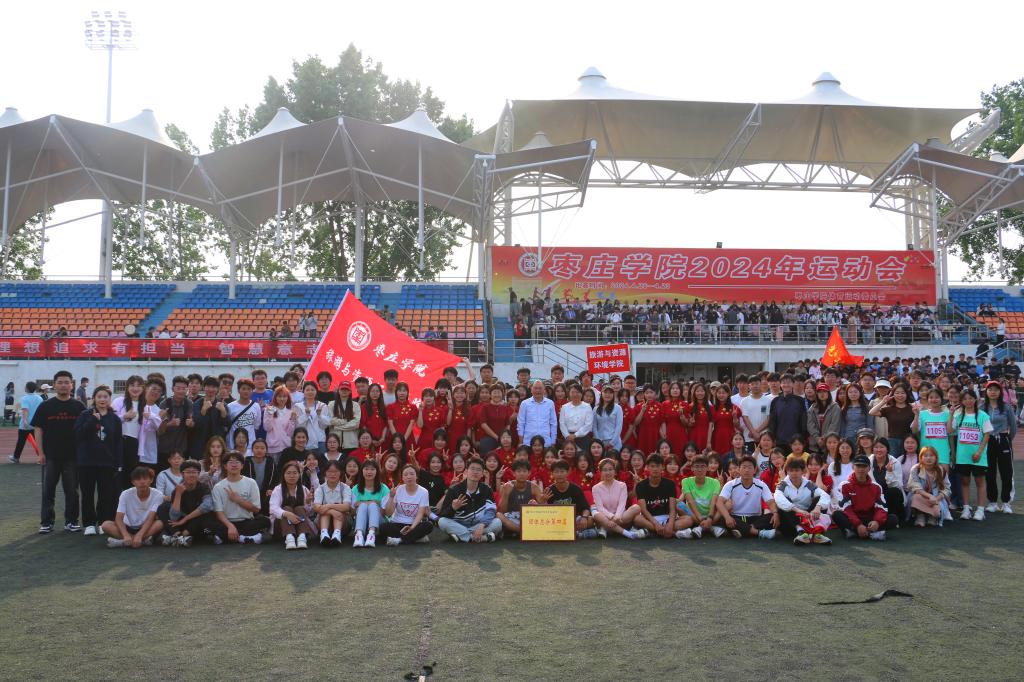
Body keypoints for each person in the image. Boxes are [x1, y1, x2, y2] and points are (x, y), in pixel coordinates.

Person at [33, 370, 86, 535]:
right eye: (60, 382)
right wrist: (40, 453)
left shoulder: (79, 406)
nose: (63, 385)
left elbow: (86, 431)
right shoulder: (45, 406)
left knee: (72, 491)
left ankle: (71, 521)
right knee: (48, 491)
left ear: (72, 385)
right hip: (51, 456)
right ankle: (46, 522)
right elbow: (38, 429)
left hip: (72, 457)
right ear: (54, 385)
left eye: (67, 382)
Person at [74, 385, 123, 536]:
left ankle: (103, 522)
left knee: (105, 495)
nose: (102, 399)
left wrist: (118, 463)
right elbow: (78, 434)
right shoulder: (85, 415)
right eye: (99, 397)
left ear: (110, 399)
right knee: (87, 494)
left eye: (105, 397)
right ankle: (89, 523)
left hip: (107, 463)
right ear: (94, 399)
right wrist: (92, 421)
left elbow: (118, 442)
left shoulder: (114, 419)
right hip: (87, 462)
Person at [209, 451, 271, 544]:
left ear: (242, 466)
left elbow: (256, 509)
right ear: (225, 466)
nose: (234, 465)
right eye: (231, 462)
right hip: (226, 522)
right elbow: (219, 513)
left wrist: (238, 500)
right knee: (208, 522)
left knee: (265, 521)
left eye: (237, 462)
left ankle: (228, 537)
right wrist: (230, 526)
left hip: (246, 522)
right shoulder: (218, 487)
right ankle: (245, 538)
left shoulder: (251, 483)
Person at [832, 453, 896, 540]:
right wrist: (858, 525)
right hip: (853, 519)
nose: (861, 469)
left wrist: (877, 522)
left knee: (893, 518)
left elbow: (881, 507)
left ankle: (854, 532)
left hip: (870, 519)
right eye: (858, 466)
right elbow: (846, 508)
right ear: (853, 467)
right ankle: (871, 533)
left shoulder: (876, 486)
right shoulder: (844, 485)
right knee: (837, 514)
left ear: (869, 468)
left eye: (864, 466)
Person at [438, 457, 502, 543]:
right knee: (442, 522)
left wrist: (481, 525)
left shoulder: (486, 489)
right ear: (466, 471)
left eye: (478, 470)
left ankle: (463, 536)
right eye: (472, 469)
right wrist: (453, 508)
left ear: (482, 474)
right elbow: (443, 514)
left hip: (479, 525)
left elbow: (491, 511)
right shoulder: (454, 490)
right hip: (459, 524)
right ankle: (482, 538)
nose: (475, 472)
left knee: (498, 522)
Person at [952, 388, 992, 522]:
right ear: (961, 401)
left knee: (980, 481)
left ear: (975, 399)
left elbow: (987, 435)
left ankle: (980, 509)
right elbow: (950, 430)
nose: (968, 401)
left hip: (978, 456)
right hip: (963, 456)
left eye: (970, 398)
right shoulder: (958, 415)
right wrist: (951, 414)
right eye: (964, 399)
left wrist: (979, 452)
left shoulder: (983, 415)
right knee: (964, 481)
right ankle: (966, 508)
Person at [717, 456, 779, 539]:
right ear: (739, 469)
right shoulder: (731, 484)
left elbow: (770, 501)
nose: (747, 470)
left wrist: (775, 513)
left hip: (755, 518)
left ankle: (744, 530)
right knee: (723, 518)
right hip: (737, 517)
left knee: (771, 517)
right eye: (744, 467)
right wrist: (727, 517)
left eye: (750, 467)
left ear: (755, 470)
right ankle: (760, 533)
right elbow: (719, 502)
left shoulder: (761, 485)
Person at [773, 457, 831, 545]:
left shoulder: (809, 484)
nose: (794, 473)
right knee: (784, 505)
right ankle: (802, 532)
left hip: (808, 516)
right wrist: (798, 511)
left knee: (820, 500)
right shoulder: (782, 485)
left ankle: (817, 534)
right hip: (791, 523)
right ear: (787, 471)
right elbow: (779, 499)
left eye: (797, 470)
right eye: (791, 470)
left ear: (802, 471)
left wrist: (818, 507)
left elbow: (825, 495)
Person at [102, 466, 164, 548]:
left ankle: (123, 542)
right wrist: (125, 535)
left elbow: (151, 518)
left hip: (146, 527)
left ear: (151, 480)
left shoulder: (158, 495)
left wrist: (140, 534)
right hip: (127, 526)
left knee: (160, 523)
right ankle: (140, 541)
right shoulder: (125, 494)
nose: (142, 482)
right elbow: (119, 518)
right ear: (133, 482)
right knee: (106, 525)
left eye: (145, 478)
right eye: (138, 479)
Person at [630, 454, 688, 539]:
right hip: (650, 519)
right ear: (647, 467)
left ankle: (651, 532)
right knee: (637, 519)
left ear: (662, 467)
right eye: (652, 466)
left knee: (688, 520)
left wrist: (670, 524)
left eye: (658, 466)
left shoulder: (670, 484)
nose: (655, 469)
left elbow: (672, 508)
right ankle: (671, 533)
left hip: (667, 518)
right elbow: (644, 510)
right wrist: (656, 524)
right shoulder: (640, 485)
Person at [980, 380, 1015, 513]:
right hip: (988, 441)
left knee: (1006, 472)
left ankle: (1006, 503)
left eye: (995, 389)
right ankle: (992, 502)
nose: (993, 392)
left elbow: (1013, 425)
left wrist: (1007, 439)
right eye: (990, 390)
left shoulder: (1006, 407)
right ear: (986, 392)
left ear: (1000, 392)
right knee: (989, 472)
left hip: (1003, 440)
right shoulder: (982, 407)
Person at [163, 459, 214, 547]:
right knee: (163, 507)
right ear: (182, 474)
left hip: (197, 524)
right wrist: (178, 494)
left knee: (206, 515)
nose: (191, 475)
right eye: (188, 472)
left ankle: (181, 536)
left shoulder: (204, 488)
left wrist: (186, 519)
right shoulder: (178, 489)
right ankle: (178, 535)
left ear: (198, 474)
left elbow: (207, 506)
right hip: (180, 522)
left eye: (194, 472)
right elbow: (174, 517)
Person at [381, 464, 434, 545]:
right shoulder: (398, 490)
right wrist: (391, 497)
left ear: (416, 476)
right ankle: (416, 538)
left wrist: (412, 527)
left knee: (428, 525)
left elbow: (420, 513)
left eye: (412, 474)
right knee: (383, 527)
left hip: (414, 524)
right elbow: (388, 514)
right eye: (405, 474)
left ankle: (399, 540)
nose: (409, 477)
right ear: (402, 478)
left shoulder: (423, 492)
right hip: (397, 523)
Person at [590, 457, 642, 538]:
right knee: (595, 513)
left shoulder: (622, 485)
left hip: (621, 516)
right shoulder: (596, 488)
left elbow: (622, 504)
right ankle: (627, 533)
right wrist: (612, 517)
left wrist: (616, 517)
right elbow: (600, 508)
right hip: (605, 517)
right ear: (600, 472)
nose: (608, 472)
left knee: (636, 507)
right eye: (605, 470)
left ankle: (606, 528)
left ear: (615, 471)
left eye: (610, 469)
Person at [269, 460, 314, 550]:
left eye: (295, 473)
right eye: (288, 473)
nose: (292, 476)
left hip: (299, 525)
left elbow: (310, 513)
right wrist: (287, 514)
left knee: (300, 508)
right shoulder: (278, 489)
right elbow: (273, 508)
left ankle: (302, 537)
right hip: (281, 528)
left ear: (299, 475)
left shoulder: (304, 489)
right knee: (286, 508)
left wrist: (308, 503)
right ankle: (289, 538)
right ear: (283, 475)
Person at [679, 455, 725, 539]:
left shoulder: (715, 482)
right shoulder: (685, 481)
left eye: (703, 466)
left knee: (728, 502)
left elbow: (713, 502)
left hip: (711, 516)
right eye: (696, 466)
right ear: (692, 468)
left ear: (707, 468)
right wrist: (701, 518)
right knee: (676, 503)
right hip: (693, 515)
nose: (700, 469)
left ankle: (701, 527)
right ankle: (710, 527)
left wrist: (710, 517)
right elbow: (690, 502)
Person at [906, 446, 952, 527]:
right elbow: (914, 487)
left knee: (936, 512)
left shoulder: (941, 470)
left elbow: (947, 489)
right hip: (921, 496)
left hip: (936, 498)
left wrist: (936, 498)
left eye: (931, 455)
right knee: (915, 497)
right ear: (921, 458)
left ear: (936, 457)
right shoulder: (916, 469)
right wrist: (930, 496)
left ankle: (933, 517)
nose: (928, 458)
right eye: (925, 456)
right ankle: (920, 516)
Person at [497, 460, 543, 537]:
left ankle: (514, 532)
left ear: (529, 473)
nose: (522, 474)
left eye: (524, 471)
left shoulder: (534, 487)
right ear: (513, 473)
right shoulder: (506, 486)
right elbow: (502, 511)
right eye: (519, 471)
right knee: (498, 515)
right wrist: (506, 494)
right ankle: (523, 532)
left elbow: (542, 509)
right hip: (511, 518)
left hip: (527, 518)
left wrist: (537, 504)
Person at [157, 376, 194, 471]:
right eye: (178, 388)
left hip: (182, 449)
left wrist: (191, 424)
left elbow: (192, 424)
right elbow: (159, 430)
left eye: (184, 388)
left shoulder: (189, 404)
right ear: (173, 389)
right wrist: (170, 424)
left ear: (187, 389)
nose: (181, 391)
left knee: (181, 474)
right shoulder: (164, 404)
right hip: (165, 449)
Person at [312, 460, 352, 546]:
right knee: (324, 512)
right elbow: (316, 507)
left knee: (329, 509)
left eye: (336, 471)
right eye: (329, 471)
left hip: (343, 523)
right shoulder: (320, 488)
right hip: (322, 522)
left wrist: (328, 506)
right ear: (325, 473)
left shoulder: (345, 488)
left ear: (340, 473)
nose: (333, 474)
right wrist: (331, 511)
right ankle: (324, 534)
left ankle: (337, 535)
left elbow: (346, 507)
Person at [351, 458, 389, 548]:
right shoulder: (355, 489)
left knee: (372, 505)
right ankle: (359, 535)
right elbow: (352, 512)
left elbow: (386, 513)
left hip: (379, 522)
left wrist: (373, 504)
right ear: (362, 471)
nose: (369, 472)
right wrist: (364, 504)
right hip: (360, 522)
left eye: (372, 469)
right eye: (366, 469)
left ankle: (371, 535)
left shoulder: (384, 488)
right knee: (363, 506)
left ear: (377, 471)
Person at [190, 376, 227, 459]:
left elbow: (227, 424)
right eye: (208, 386)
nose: (211, 389)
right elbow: (196, 424)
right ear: (203, 387)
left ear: (218, 389)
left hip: (217, 446)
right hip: (199, 447)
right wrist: (203, 410)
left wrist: (223, 411)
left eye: (213, 387)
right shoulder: (197, 404)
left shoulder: (222, 404)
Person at [767, 374, 807, 449]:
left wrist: (803, 438)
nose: (786, 385)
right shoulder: (775, 401)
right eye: (784, 383)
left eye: (789, 382)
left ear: (793, 384)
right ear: (780, 384)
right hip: (779, 441)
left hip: (796, 441)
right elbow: (772, 422)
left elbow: (803, 421)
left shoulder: (800, 400)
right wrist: (772, 438)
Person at [9, 381, 43, 464]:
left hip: (26, 424)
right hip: (36, 423)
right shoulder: (39, 398)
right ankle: (43, 457)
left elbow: (25, 410)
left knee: (21, 441)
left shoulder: (24, 398)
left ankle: (16, 457)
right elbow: (41, 411)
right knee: (39, 442)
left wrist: (24, 421)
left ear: (27, 388)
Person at [242, 439, 278, 516]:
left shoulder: (270, 462)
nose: (259, 450)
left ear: (266, 450)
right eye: (256, 448)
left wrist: (271, 489)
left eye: (262, 448)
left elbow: (275, 479)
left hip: (266, 493)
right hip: (250, 493)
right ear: (252, 450)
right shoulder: (246, 462)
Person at [226, 379, 262, 455]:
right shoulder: (230, 406)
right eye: (243, 389)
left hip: (250, 446)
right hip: (233, 445)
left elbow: (256, 425)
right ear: (238, 390)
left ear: (252, 391)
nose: (246, 391)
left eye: (249, 389)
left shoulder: (256, 406)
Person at [518, 380, 557, 447]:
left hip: (546, 442)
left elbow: (553, 423)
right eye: (535, 388)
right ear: (531, 390)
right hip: (528, 442)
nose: (538, 390)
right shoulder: (524, 404)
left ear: (544, 390)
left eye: (540, 388)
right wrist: (521, 441)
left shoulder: (550, 403)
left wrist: (553, 442)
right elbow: (521, 423)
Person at [560, 383, 594, 453]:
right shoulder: (564, 407)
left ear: (581, 394)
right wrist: (567, 436)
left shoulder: (587, 407)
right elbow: (562, 423)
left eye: (578, 392)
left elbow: (588, 424)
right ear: (569, 394)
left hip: (582, 439)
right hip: (567, 439)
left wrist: (575, 435)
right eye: (573, 392)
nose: (575, 394)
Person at [328, 381, 361, 452]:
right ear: (338, 390)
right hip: (334, 442)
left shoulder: (355, 405)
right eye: (342, 389)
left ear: (350, 391)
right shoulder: (331, 404)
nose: (344, 391)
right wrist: (346, 421)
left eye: (347, 389)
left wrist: (337, 427)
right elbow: (331, 421)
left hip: (351, 443)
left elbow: (356, 424)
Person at [806, 383, 840, 453]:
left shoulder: (835, 407)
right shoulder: (812, 408)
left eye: (824, 391)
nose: (822, 394)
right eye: (819, 392)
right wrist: (817, 438)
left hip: (830, 444)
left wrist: (824, 438)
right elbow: (810, 424)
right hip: (815, 445)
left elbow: (834, 425)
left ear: (828, 393)